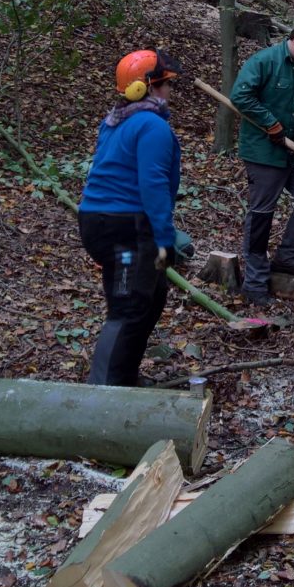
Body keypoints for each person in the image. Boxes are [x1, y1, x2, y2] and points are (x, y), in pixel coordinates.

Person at [78, 49, 187, 386]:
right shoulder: (152, 126)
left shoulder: (115, 121)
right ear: (146, 87)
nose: (170, 91)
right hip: (123, 229)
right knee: (128, 305)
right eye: (166, 84)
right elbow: (152, 183)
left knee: (152, 296)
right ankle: (104, 394)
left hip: (106, 222)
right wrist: (164, 239)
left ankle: (123, 378)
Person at [231, 20, 294, 306]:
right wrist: (269, 123)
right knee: (262, 214)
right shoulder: (264, 61)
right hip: (263, 152)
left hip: (293, 151)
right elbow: (241, 96)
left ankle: (287, 258)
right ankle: (254, 283)